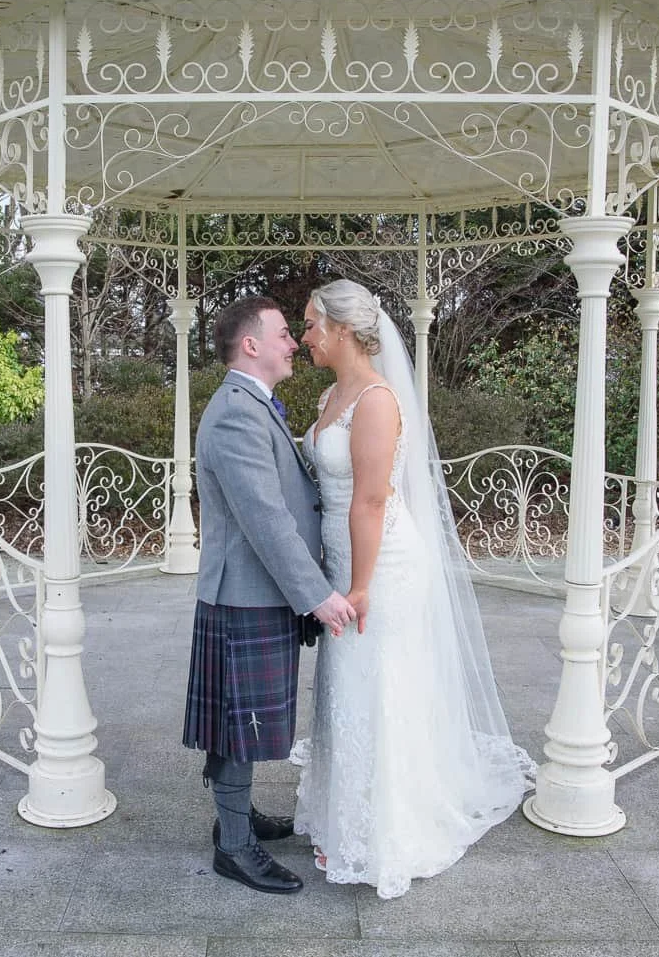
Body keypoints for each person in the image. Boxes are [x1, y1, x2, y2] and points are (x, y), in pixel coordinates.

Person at [291, 278, 536, 899]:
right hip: (342, 560)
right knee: (346, 686)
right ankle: (342, 815)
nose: (304, 337)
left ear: (343, 330)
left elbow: (371, 498)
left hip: (382, 565)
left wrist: (360, 585)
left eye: (312, 325)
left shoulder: (376, 400)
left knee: (379, 683)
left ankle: (388, 829)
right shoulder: (329, 393)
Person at [181, 295, 360, 895]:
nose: (293, 343)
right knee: (242, 721)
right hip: (246, 595)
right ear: (251, 345)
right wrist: (318, 595)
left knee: (245, 718)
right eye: (284, 334)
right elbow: (265, 518)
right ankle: (234, 847)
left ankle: (237, 816)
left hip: (256, 593)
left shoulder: (252, 405)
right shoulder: (236, 412)